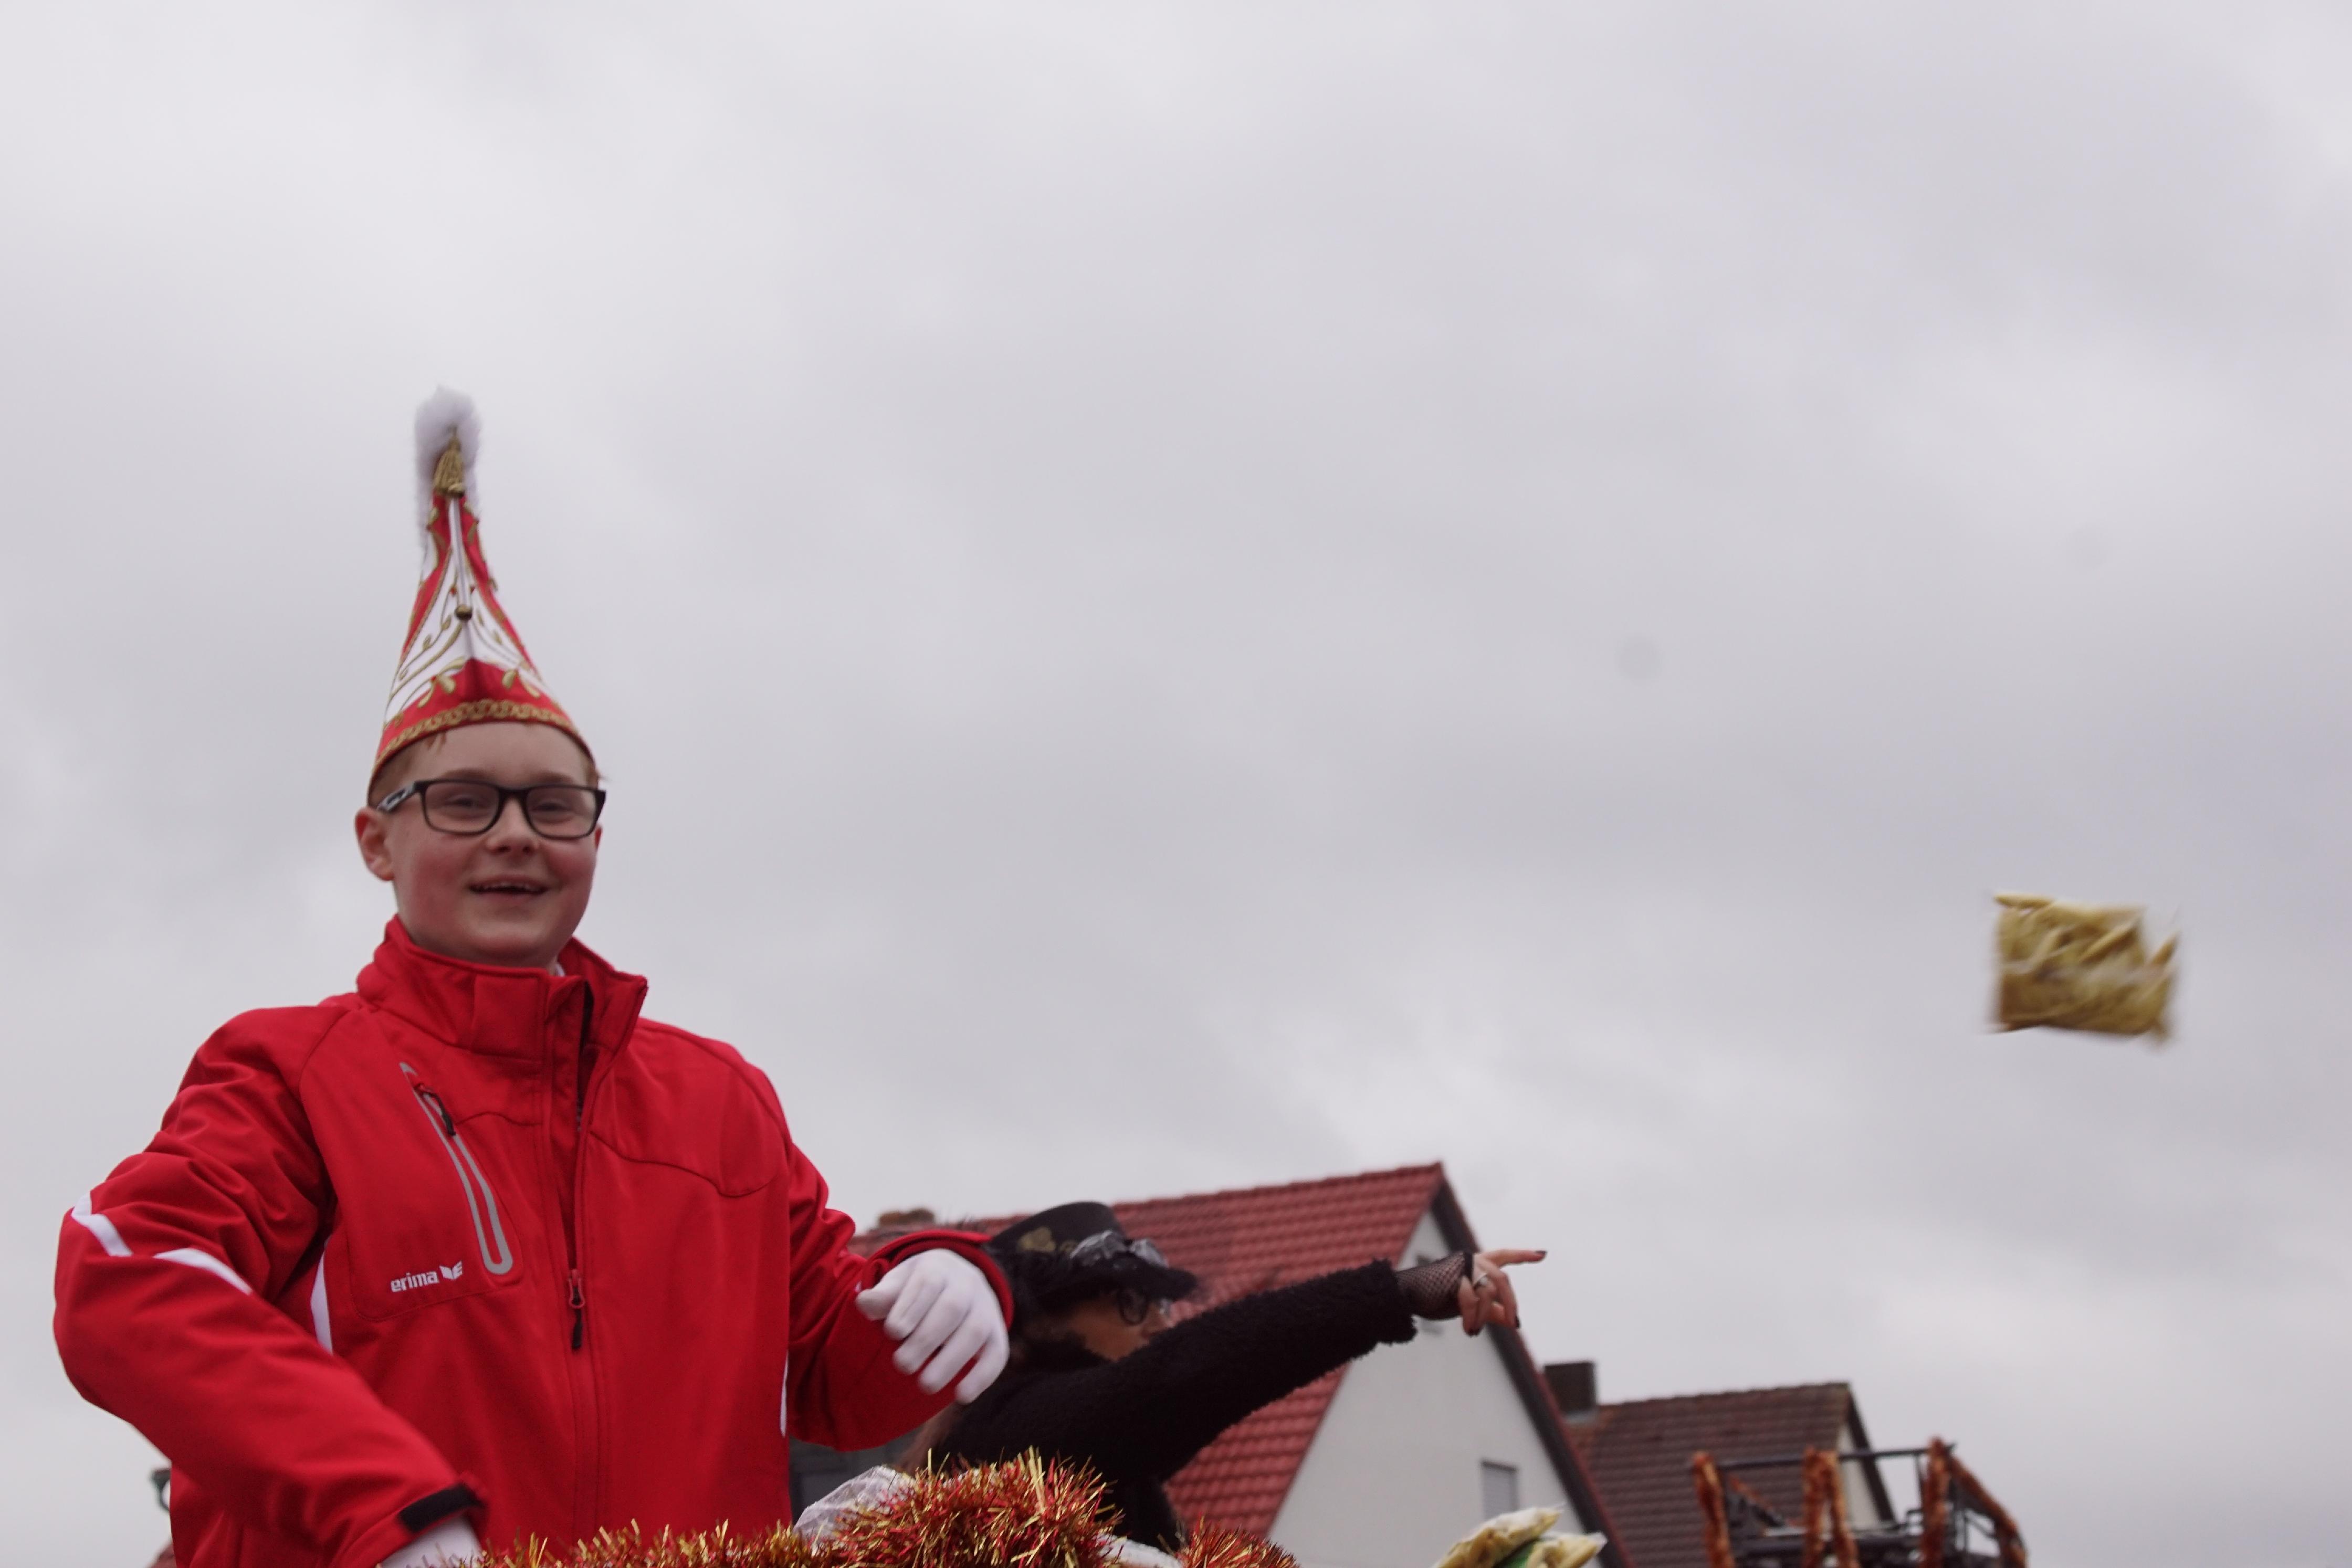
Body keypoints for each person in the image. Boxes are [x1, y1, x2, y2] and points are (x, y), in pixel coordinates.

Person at [54, 394, 1012, 1568]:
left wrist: (949, 1286)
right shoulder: (290, 1071)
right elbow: (127, 1279)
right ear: (376, 841)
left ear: (594, 837)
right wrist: (389, 1508)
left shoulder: (722, 1100)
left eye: (554, 804)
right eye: (463, 800)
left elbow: (828, 1376)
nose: (516, 834)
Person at [922, 1201, 1544, 1553]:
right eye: (1132, 1302)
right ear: (1042, 1322)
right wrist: (1395, 1293)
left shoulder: (1103, 1463)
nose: (1159, 1326)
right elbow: (1181, 1376)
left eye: (1162, 1305)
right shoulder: (1010, 1436)